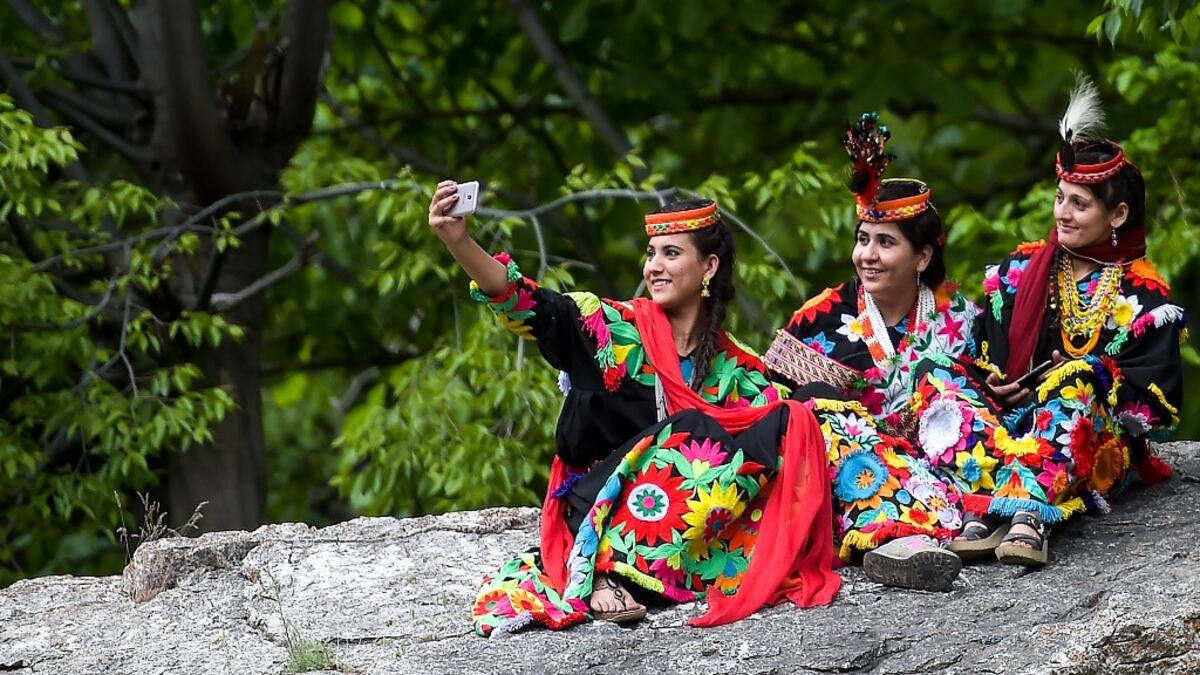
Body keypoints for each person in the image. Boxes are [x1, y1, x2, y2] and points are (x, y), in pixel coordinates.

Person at [427, 185, 840, 638]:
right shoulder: (610, 328)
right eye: (651, 254)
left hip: (681, 524)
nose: (654, 267)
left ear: (710, 266)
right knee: (692, 428)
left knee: (802, 413)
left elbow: (786, 425)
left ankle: (887, 529)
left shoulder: (735, 368)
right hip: (596, 509)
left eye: (671, 253)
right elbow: (528, 304)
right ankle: (603, 569)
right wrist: (458, 242)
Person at [910, 75, 1186, 567]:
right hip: (1008, 420)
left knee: (1075, 382)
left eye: (1079, 204)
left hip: (1089, 436)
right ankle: (993, 499)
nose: (1063, 213)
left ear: (1118, 214)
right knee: (936, 371)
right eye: (1060, 198)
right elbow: (982, 355)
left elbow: (1152, 408)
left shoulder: (1143, 295)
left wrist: (1089, 375)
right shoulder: (1018, 272)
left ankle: (1027, 512)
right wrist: (994, 381)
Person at [767, 113, 978, 591]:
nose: (867, 255)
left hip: (949, 472)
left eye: (886, 243)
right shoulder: (820, 318)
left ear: (922, 257)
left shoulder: (963, 318)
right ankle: (894, 535)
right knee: (819, 409)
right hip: (858, 481)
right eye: (862, 240)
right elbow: (773, 412)